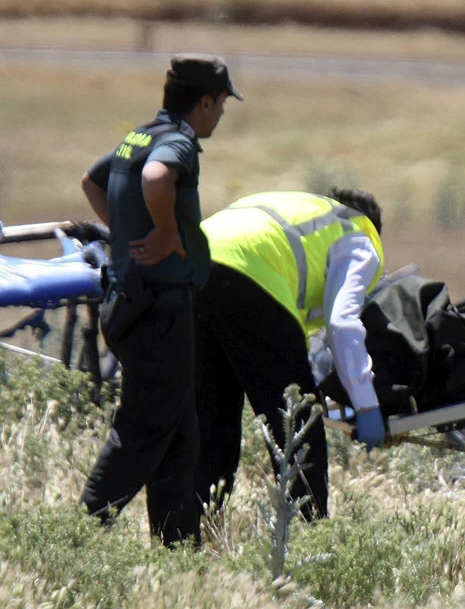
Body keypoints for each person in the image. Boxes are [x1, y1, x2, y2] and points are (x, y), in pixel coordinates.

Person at [79, 53, 242, 546]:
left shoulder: (141, 135)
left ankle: (178, 548)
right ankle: (78, 534)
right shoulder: (178, 142)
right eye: (220, 105)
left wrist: (128, 234)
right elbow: (155, 179)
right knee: (146, 428)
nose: (221, 115)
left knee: (180, 433)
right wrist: (166, 232)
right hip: (160, 313)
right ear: (205, 102)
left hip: (132, 302)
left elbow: (92, 181)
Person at [191, 189, 386, 526]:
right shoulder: (360, 234)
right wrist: (367, 405)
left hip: (190, 264)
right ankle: (308, 534)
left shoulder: (303, 212)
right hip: (250, 273)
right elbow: (342, 324)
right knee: (298, 424)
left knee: (210, 420)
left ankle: (190, 536)